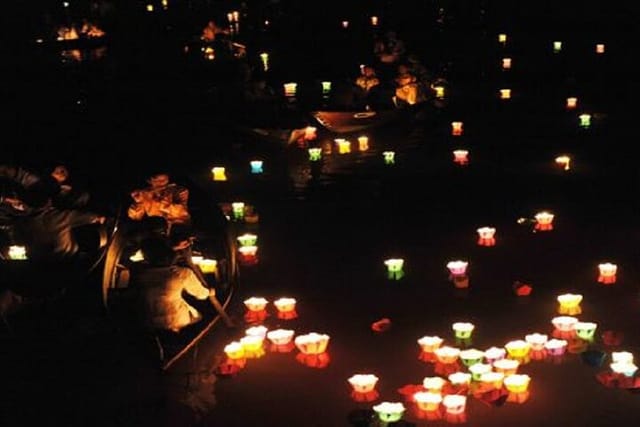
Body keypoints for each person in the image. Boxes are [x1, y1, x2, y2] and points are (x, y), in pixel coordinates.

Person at [132, 236, 214, 333]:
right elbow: (201, 295)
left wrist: (173, 248)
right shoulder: (181, 274)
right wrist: (210, 292)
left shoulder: (138, 273)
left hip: (148, 322)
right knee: (200, 316)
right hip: (176, 320)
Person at [11, 181, 106, 261]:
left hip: (40, 265)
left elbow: (18, 242)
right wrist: (99, 218)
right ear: (48, 201)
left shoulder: (23, 223)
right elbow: (90, 217)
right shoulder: (57, 217)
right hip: (68, 259)